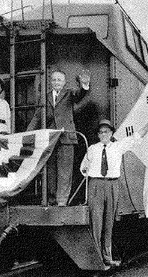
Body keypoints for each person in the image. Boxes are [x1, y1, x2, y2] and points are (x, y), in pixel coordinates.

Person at [80, 117, 148, 267]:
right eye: (101, 132)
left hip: (112, 185)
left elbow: (136, 137)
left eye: (106, 132)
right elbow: (83, 167)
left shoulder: (118, 147)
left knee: (109, 222)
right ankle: (97, 259)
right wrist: (90, 173)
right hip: (96, 185)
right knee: (96, 222)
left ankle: (107, 257)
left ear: (111, 133)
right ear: (98, 135)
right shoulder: (92, 149)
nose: (104, 134)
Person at [27, 70, 90, 206]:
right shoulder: (45, 97)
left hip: (66, 137)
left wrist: (84, 84)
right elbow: (37, 117)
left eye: (59, 80)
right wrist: (28, 133)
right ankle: (52, 200)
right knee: (51, 172)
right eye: (54, 80)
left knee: (64, 172)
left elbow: (80, 94)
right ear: (51, 82)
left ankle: (61, 202)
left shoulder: (70, 93)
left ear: (64, 82)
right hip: (50, 140)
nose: (56, 82)